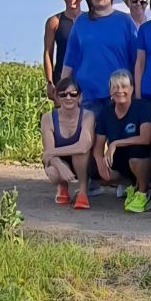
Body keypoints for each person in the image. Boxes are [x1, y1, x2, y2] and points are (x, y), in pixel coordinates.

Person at [61, 0, 138, 119]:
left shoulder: (125, 21)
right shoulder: (81, 21)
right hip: (88, 95)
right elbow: (70, 58)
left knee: (120, 141)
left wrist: (137, 91)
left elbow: (137, 60)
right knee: (90, 140)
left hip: (119, 94)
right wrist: (64, 90)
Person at [93, 70, 151, 213]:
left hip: (141, 157)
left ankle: (143, 194)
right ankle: (130, 185)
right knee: (94, 170)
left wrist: (115, 144)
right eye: (115, 87)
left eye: (124, 86)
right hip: (119, 160)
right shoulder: (106, 112)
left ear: (132, 89)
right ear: (110, 91)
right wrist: (100, 165)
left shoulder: (143, 106)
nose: (120, 91)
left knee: (136, 152)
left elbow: (146, 138)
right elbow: (98, 146)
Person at [40, 77, 97, 209]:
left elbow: (84, 146)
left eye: (73, 94)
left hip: (83, 161)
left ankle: (82, 191)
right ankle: (63, 187)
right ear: (58, 98)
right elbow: (48, 149)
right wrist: (59, 165)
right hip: (61, 160)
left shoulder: (88, 116)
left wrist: (51, 153)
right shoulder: (48, 118)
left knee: (79, 152)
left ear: (80, 97)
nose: (68, 98)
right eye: (63, 94)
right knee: (53, 172)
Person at [44, 0, 82, 101]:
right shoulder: (55, 21)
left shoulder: (89, 20)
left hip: (85, 78)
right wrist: (49, 82)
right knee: (62, 117)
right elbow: (48, 53)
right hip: (61, 78)